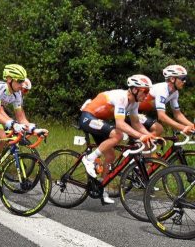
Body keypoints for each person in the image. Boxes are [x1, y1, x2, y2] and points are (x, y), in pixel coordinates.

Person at [79, 74, 154, 204]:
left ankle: (102, 189)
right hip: (88, 117)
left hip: (99, 122)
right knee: (117, 135)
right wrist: (141, 136)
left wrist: (149, 136)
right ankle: (89, 159)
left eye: (148, 92)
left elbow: (136, 124)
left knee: (110, 156)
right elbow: (120, 124)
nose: (147, 95)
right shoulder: (121, 98)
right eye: (145, 91)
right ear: (135, 89)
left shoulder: (134, 103)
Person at [135, 65, 194, 136]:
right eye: (183, 78)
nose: (184, 81)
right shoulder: (162, 89)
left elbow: (177, 114)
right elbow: (161, 116)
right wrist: (183, 128)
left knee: (151, 135)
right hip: (130, 110)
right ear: (172, 79)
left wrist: (192, 126)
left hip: (139, 112)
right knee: (158, 129)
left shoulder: (175, 93)